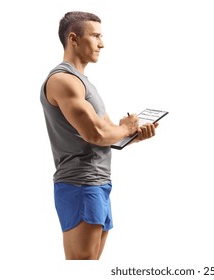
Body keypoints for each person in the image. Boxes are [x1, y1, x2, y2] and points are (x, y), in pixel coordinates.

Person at [40, 11, 158, 260]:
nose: (102, 44)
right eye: (95, 36)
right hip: (80, 183)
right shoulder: (63, 80)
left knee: (91, 264)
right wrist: (125, 128)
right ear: (73, 39)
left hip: (98, 182)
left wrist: (134, 135)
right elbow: (95, 134)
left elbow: (109, 134)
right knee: (81, 266)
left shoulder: (83, 82)